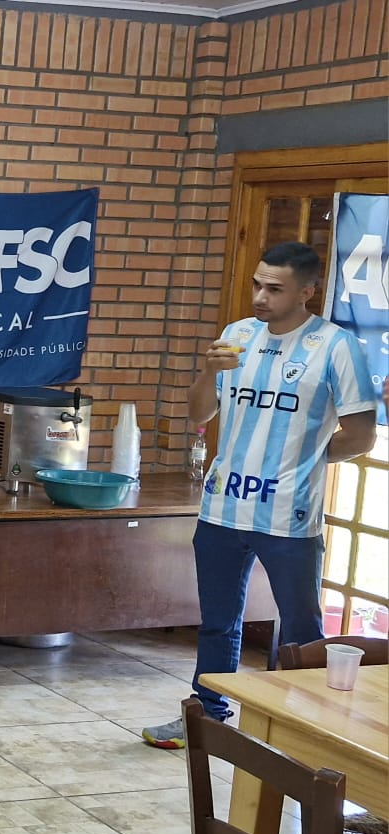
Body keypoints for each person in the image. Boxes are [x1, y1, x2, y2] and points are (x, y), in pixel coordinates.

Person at [143, 241, 377, 749]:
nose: (259, 297)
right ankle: (206, 718)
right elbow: (198, 414)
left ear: (308, 292)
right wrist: (208, 372)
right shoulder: (237, 335)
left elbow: (361, 437)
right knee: (217, 624)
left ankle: (305, 732)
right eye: (256, 284)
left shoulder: (337, 347)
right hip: (222, 507)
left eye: (275, 288)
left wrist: (302, 462)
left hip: (289, 515)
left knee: (301, 630)